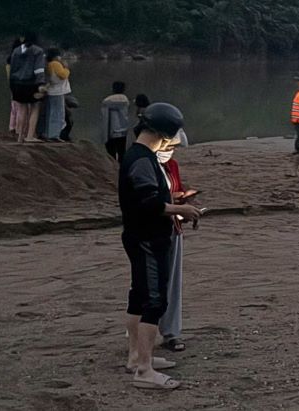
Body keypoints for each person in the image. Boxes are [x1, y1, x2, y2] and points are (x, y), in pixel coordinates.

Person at [119, 103, 201, 391]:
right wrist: (181, 209)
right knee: (154, 300)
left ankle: (135, 357)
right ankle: (144, 369)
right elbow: (148, 202)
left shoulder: (139, 156)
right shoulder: (142, 160)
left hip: (139, 236)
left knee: (139, 296)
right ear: (162, 134)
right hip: (147, 239)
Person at [158, 129, 195, 354]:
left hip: (173, 226)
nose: (171, 151)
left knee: (172, 282)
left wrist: (185, 206)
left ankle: (170, 331)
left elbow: (176, 191)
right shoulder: (145, 164)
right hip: (152, 230)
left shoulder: (172, 166)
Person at [8, 32, 46, 143]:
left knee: (22, 109)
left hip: (17, 84)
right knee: (35, 108)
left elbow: (12, 69)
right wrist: (41, 84)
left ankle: (20, 136)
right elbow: (39, 70)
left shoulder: (16, 50)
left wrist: (12, 84)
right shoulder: (37, 51)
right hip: (31, 83)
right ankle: (29, 136)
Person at [43, 48, 71, 141]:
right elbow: (63, 75)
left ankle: (48, 133)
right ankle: (54, 135)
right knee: (58, 114)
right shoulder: (56, 64)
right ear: (56, 56)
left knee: (51, 113)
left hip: (52, 91)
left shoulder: (49, 64)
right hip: (57, 92)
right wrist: (67, 68)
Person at [102, 82, 132, 161]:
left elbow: (105, 119)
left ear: (113, 89)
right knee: (122, 153)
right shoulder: (125, 100)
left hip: (111, 133)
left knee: (111, 156)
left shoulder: (107, 102)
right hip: (123, 132)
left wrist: (105, 136)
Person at [5, 37, 23, 134]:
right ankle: (19, 128)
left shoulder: (9, 59)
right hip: (20, 84)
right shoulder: (19, 58)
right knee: (21, 107)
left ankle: (12, 127)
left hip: (12, 84)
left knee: (14, 106)